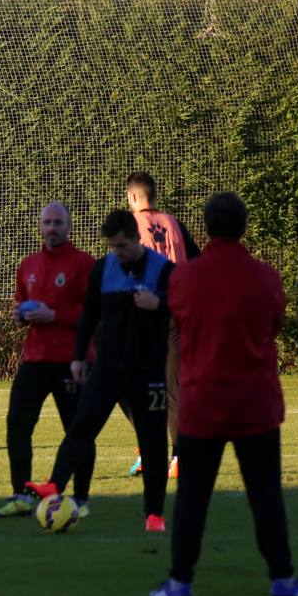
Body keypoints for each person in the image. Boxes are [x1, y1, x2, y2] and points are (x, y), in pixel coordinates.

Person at [150, 193, 298, 596]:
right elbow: (274, 323)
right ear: (244, 226)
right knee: (265, 497)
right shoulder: (265, 277)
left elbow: (176, 323)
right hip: (254, 403)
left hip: (200, 404)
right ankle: (282, 578)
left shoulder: (184, 278)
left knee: (192, 499)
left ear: (206, 228)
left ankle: (179, 581)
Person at [27, 210, 174, 531]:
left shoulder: (164, 270)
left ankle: (154, 514)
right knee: (81, 427)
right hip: (107, 367)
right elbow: (89, 314)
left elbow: (185, 310)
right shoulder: (104, 268)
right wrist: (78, 357)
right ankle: (55, 485)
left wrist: (159, 304)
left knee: (151, 441)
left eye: (121, 246)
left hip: (147, 370)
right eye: (112, 247)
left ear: (136, 238)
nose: (117, 253)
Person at [0, 202, 96, 518]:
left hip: (72, 360)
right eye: (47, 223)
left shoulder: (84, 265)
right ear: (40, 227)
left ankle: (81, 498)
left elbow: (94, 313)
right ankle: (21, 495)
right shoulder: (28, 265)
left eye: (58, 223)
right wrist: (20, 315)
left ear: (69, 227)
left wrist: (54, 315)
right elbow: (22, 301)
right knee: (17, 424)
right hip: (35, 358)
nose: (52, 228)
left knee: (77, 430)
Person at [124, 171, 201, 479]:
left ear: (131, 197)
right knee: (171, 388)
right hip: (177, 313)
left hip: (145, 315)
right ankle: (171, 452)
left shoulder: (130, 228)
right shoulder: (174, 224)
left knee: (121, 381)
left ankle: (160, 449)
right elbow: (197, 265)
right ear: (153, 196)